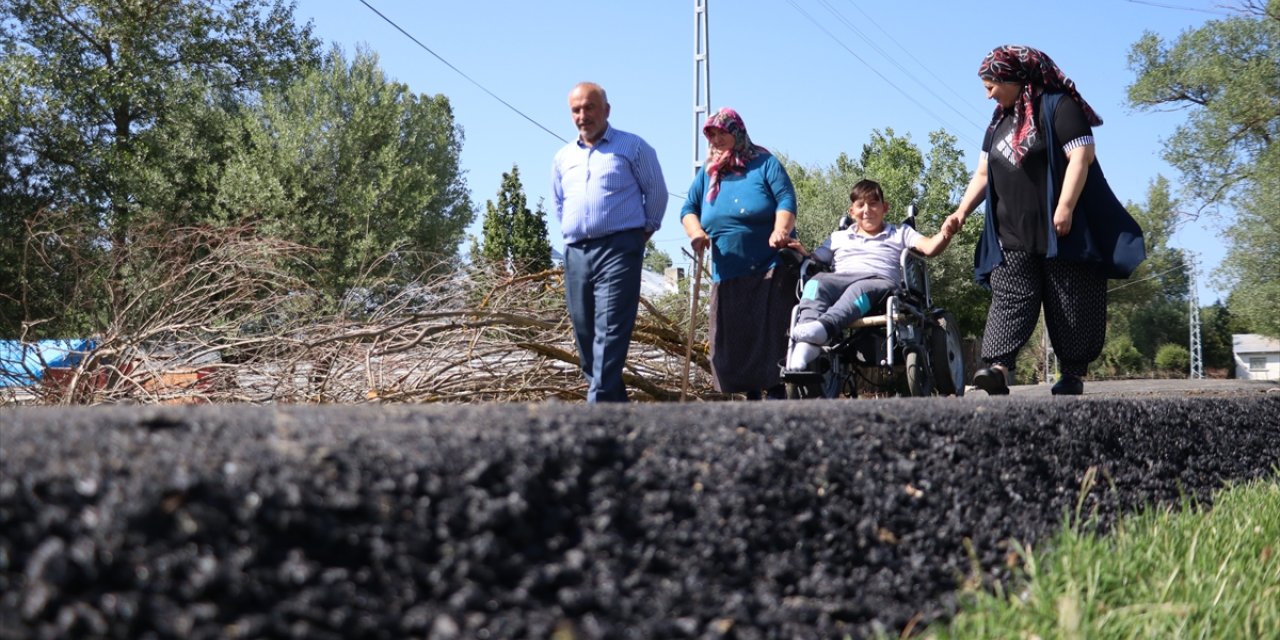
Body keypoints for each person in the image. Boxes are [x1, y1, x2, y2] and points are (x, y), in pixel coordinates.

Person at [944, 45, 1145, 396]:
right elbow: (982, 173)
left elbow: (1081, 156)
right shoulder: (998, 121)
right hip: (1011, 233)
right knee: (1010, 298)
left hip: (1061, 231)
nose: (988, 94)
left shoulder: (1059, 106)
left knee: (1071, 302)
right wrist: (961, 211)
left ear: (1015, 78)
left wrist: (1065, 205)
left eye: (992, 85)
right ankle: (997, 369)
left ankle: (1071, 374)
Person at [552, 82, 668, 403]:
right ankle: (616, 413)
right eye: (576, 109)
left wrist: (641, 234)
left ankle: (596, 409)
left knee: (612, 330)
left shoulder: (632, 147)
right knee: (585, 334)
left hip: (619, 248)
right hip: (576, 252)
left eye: (589, 107)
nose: (582, 115)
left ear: (606, 110)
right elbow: (560, 203)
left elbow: (656, 192)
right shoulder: (563, 157)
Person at [681, 108, 799, 400]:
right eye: (712, 134)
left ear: (737, 132)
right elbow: (688, 210)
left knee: (771, 336)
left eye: (722, 132)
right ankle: (751, 399)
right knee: (734, 340)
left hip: (771, 265)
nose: (716, 139)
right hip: (729, 270)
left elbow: (786, 198)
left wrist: (780, 229)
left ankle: (776, 396)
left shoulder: (764, 163)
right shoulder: (709, 173)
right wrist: (696, 233)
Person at [784, 179, 960, 371]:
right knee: (815, 283)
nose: (867, 210)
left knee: (859, 288)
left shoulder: (901, 232)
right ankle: (805, 346)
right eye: (860, 205)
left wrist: (945, 234)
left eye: (873, 203)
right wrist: (803, 253)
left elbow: (930, 247)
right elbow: (815, 260)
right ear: (852, 212)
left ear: (884, 207)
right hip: (840, 279)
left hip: (878, 282)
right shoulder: (838, 237)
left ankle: (822, 329)